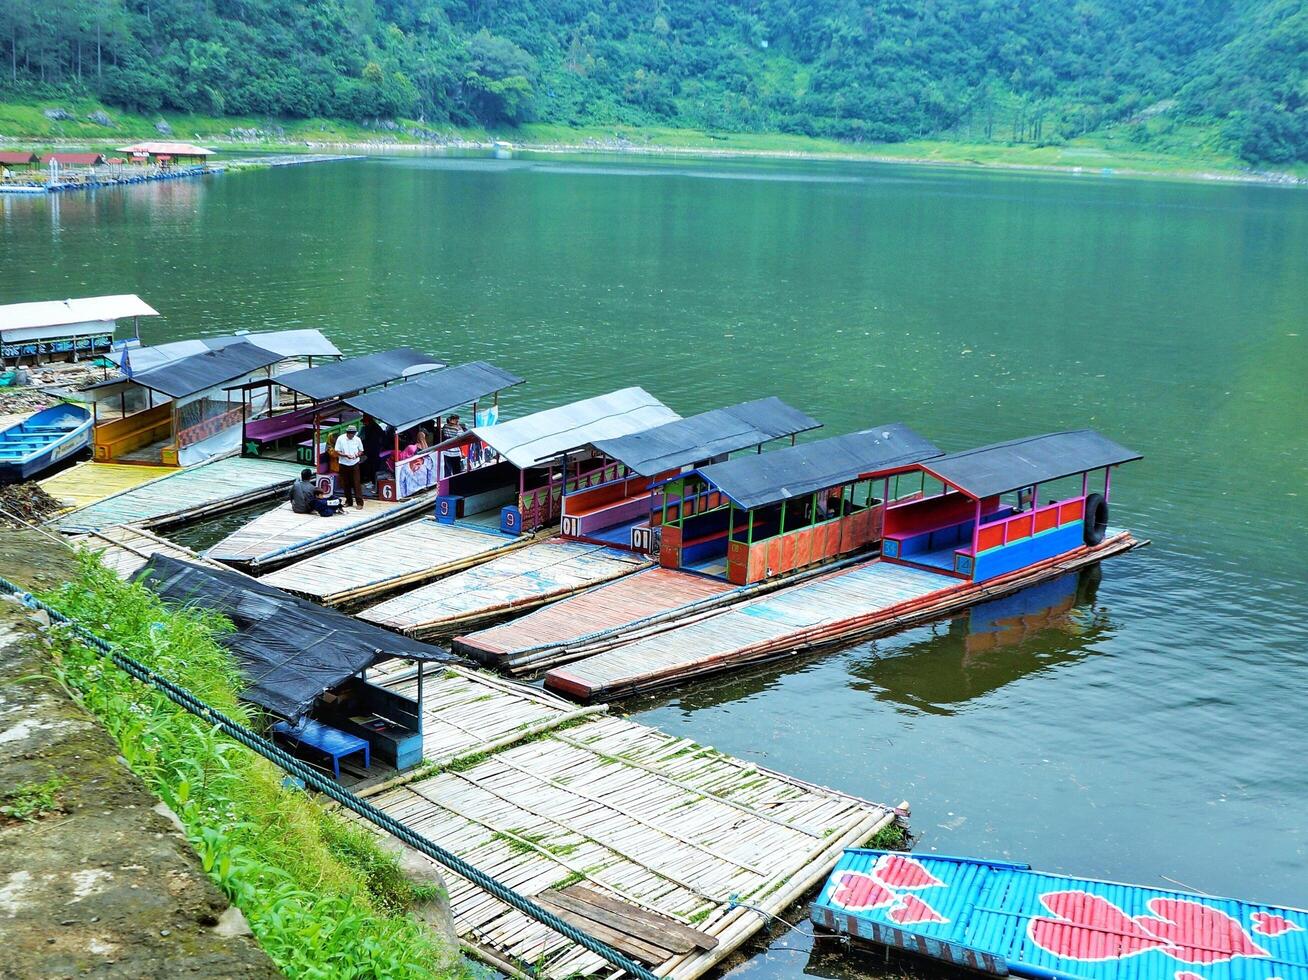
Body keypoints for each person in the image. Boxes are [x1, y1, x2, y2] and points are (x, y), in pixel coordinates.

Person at [334, 423, 366, 509]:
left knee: (356, 483)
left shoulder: (357, 439)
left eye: (353, 434)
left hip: (354, 463)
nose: (352, 435)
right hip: (343, 464)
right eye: (350, 434)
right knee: (345, 483)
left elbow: (361, 451)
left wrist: (357, 455)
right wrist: (345, 455)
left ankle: (359, 503)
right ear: (347, 432)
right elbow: (337, 451)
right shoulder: (341, 439)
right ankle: (349, 501)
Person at [440, 414, 468, 479]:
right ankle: (457, 481)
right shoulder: (458, 428)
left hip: (446, 451)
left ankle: (447, 481)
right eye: (457, 421)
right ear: (454, 420)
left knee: (447, 469)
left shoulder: (445, 426)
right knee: (457, 469)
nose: (457, 422)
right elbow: (462, 438)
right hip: (455, 452)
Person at [359, 415, 385, 485]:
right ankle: (371, 480)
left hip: (373, 450)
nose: (364, 423)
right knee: (370, 466)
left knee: (372, 466)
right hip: (372, 450)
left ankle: (373, 481)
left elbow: (367, 440)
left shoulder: (372, 428)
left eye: (365, 422)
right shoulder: (372, 427)